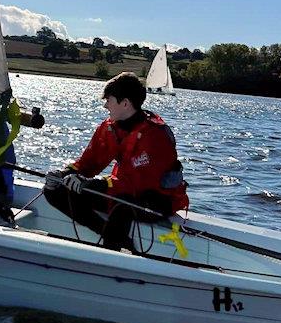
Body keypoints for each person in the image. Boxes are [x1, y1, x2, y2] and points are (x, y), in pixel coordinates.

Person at [44, 72, 188, 251]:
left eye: (109, 100)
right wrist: (64, 173)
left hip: (155, 200)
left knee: (122, 207)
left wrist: (95, 185)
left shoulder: (155, 137)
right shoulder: (108, 127)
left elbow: (138, 185)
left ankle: (111, 257)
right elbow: (89, 162)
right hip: (120, 191)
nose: (105, 105)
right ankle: (114, 238)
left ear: (125, 103)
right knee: (54, 191)